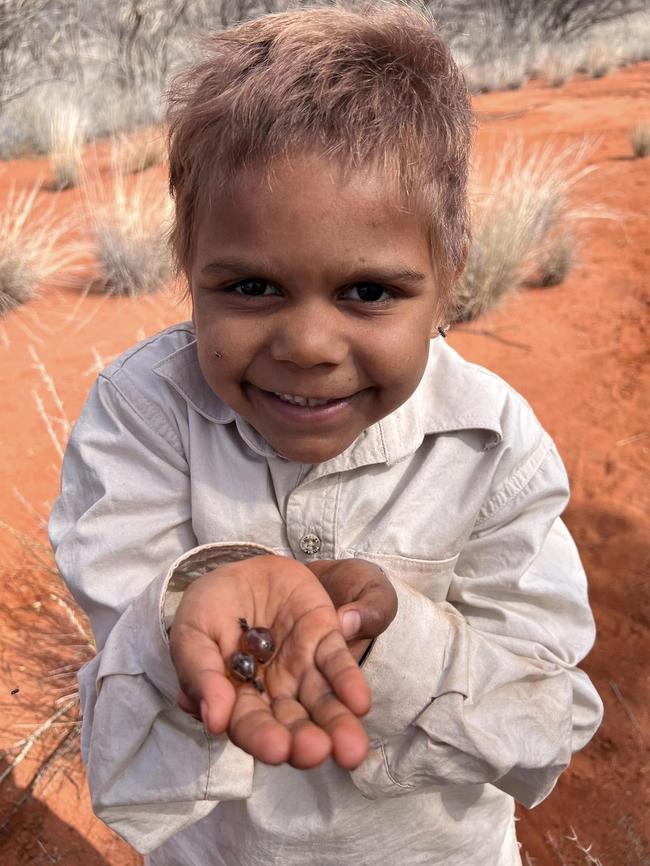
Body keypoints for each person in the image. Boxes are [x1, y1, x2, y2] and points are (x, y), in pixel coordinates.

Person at [49, 4, 603, 864]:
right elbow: (123, 624)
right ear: (188, 270)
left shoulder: (491, 442)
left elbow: (545, 716)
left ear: (450, 280)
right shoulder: (144, 411)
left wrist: (395, 645)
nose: (307, 347)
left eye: (370, 293)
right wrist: (185, 610)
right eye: (252, 287)